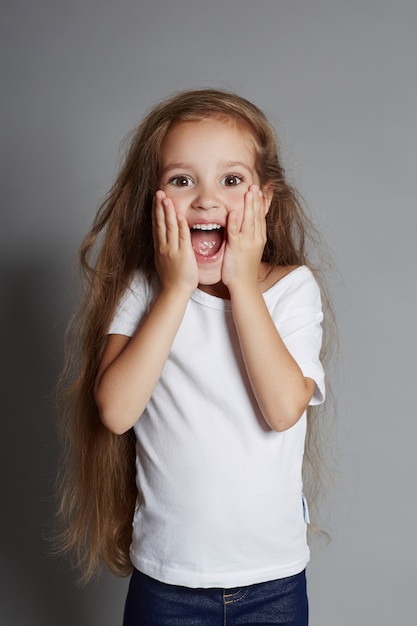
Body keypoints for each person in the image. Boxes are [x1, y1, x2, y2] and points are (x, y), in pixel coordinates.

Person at [57, 89, 332, 625]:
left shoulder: (291, 290)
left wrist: (242, 287)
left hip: (272, 584)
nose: (206, 200)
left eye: (231, 180)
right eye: (182, 180)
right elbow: (115, 411)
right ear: (154, 198)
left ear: (265, 200)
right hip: (168, 586)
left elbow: (282, 409)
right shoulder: (146, 294)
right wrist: (177, 289)